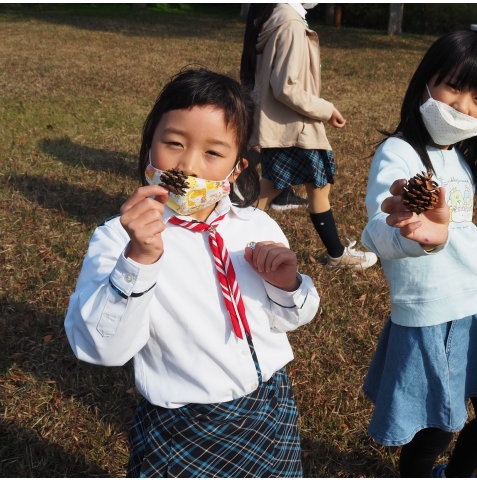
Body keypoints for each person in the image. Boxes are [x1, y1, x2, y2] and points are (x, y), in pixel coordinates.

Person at [64, 68, 320, 478]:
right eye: (173, 143)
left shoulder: (255, 227)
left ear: (237, 167)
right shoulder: (117, 240)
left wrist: (287, 284)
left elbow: (290, 319)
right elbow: (99, 350)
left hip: (271, 405)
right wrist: (139, 260)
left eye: (213, 153)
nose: (187, 165)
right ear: (150, 145)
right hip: (184, 425)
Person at [360, 31, 477, 478]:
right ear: (425, 82)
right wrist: (413, 231)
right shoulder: (398, 155)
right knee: (435, 433)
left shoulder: (457, 156)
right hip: (430, 317)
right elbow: (380, 228)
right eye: (453, 87)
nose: (462, 107)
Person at [248, 3, 377, 270]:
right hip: (295, 127)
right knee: (317, 187)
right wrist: (326, 109)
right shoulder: (291, 24)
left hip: (284, 125)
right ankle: (337, 255)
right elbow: (286, 86)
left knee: (271, 185)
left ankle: (232, 235)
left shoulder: (279, 17)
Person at [240, 3, 310, 211]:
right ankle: (231, 179)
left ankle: (283, 193)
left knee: (275, 138)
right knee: (264, 139)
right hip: (268, 83)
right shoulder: (284, 15)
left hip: (264, 78)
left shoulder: (283, 12)